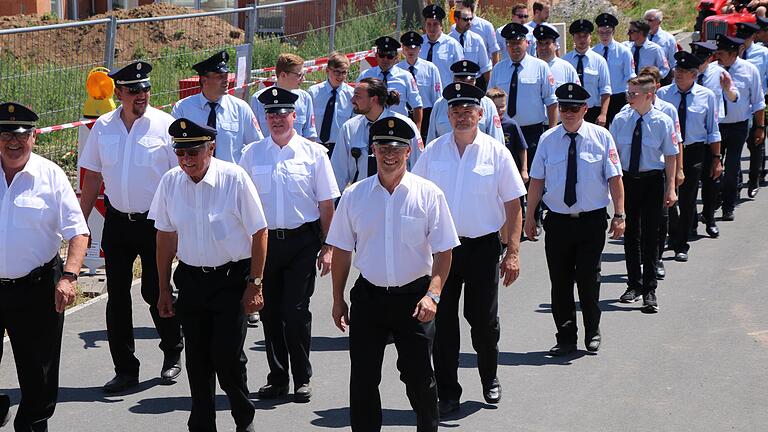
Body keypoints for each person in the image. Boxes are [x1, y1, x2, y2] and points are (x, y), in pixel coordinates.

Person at [327, 116, 459, 432]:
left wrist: (433, 294)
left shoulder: (429, 194)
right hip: (369, 297)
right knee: (363, 378)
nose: (390, 154)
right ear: (373, 149)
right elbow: (342, 249)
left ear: (408, 152)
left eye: (397, 148)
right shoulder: (355, 195)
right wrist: (337, 299)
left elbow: (444, 251)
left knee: (418, 377)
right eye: (383, 147)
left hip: (414, 299)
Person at [412, 82, 526, 415]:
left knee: (483, 320)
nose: (462, 117)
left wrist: (514, 252)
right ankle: (448, 392)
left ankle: (489, 378)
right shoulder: (433, 151)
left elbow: (513, 204)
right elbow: (416, 196)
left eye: (468, 112)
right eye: (456, 112)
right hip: (443, 250)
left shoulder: (496, 151)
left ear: (481, 113)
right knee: (443, 323)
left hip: (482, 249)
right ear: (447, 115)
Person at [150, 118, 268, 432]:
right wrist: (163, 288)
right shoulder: (171, 182)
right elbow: (165, 236)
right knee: (198, 360)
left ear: (211, 147)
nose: (187, 159)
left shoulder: (235, 178)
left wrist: (255, 284)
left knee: (227, 358)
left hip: (232, 281)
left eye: (194, 151)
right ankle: (202, 424)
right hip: (191, 280)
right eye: (181, 152)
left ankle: (244, 417)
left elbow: (259, 232)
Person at [79, 61, 184, 393]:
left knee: (155, 291)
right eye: (134, 90)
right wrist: (80, 225)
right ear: (119, 93)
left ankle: (172, 351)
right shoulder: (103, 127)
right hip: (117, 221)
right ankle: (125, 368)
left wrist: (180, 227)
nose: (142, 95)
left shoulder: (164, 127)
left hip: (155, 225)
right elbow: (93, 176)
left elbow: (179, 181)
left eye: (146, 89)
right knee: (118, 297)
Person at [240, 87, 340, 402]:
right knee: (269, 312)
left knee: (295, 311)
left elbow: (326, 204)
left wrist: (329, 247)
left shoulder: (314, 154)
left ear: (294, 116)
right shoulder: (252, 154)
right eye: (271, 114)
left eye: (283, 113)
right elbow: (241, 203)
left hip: (302, 242)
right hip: (266, 244)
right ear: (265, 118)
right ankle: (278, 377)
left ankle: (302, 377)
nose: (277, 119)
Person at [0, 102, 89, 431]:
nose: (13, 142)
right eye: (5, 134)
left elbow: (78, 232)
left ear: (34, 137)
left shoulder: (50, 176)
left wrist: (69, 277)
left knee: (38, 377)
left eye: (20, 136)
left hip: (37, 289)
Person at [524, 83, 625, 356]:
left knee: (588, 280)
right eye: (563, 108)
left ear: (585, 109)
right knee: (560, 281)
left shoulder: (601, 137)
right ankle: (566, 337)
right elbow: (536, 181)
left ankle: (592, 330)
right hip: (557, 221)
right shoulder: (547, 139)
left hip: (590, 221)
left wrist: (619, 214)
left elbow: (615, 179)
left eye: (574, 108)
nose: (568, 113)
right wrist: (530, 215)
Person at [610, 75, 679, 314]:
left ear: (649, 95)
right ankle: (634, 284)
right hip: (628, 180)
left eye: (634, 94)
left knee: (651, 235)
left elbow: (671, 155)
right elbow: (613, 156)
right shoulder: (620, 120)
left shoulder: (662, 121)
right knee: (631, 235)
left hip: (652, 181)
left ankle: (650, 289)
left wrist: (670, 187)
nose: (629, 97)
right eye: (628, 93)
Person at [488, 22, 557, 232]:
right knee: (509, 176)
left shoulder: (540, 67)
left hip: (533, 130)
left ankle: (533, 217)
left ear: (526, 43)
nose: (514, 47)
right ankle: (513, 219)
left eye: (518, 42)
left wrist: (551, 132)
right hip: (505, 130)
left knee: (533, 176)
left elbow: (551, 102)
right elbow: (490, 101)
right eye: (510, 43)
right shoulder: (499, 69)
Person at [657, 51, 722, 262]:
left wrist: (716, 158)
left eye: (684, 72)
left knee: (687, 198)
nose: (678, 74)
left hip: (694, 151)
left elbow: (713, 129)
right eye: (677, 70)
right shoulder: (663, 94)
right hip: (667, 151)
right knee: (668, 198)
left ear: (694, 75)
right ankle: (672, 233)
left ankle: (681, 244)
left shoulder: (707, 96)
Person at [330, 77, 423, 191]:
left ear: (373, 99)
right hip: (361, 197)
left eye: (357, 96)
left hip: (397, 196)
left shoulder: (405, 125)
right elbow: (338, 172)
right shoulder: (349, 128)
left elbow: (419, 166)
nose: (352, 100)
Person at [171, 51, 263, 163]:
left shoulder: (240, 108)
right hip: (194, 177)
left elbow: (257, 146)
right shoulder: (183, 108)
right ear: (204, 80)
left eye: (226, 76)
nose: (226, 81)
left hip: (229, 178)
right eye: (220, 77)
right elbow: (173, 148)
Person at [691, 40, 739, 238]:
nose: (698, 63)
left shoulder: (719, 73)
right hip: (692, 137)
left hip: (712, 134)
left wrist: (727, 88)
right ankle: (691, 222)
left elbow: (735, 97)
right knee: (689, 186)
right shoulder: (687, 75)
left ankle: (709, 219)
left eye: (702, 59)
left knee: (711, 182)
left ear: (709, 58)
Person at [715, 34, 765, 221]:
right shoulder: (713, 70)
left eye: (720, 53)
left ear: (733, 53)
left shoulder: (749, 70)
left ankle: (728, 206)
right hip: (716, 128)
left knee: (732, 166)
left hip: (739, 126)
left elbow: (758, 102)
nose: (717, 56)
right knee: (713, 167)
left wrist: (760, 127)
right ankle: (715, 200)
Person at [426, 60, 504, 144]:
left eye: (469, 82)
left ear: (475, 81)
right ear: (454, 80)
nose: (465, 86)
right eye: (461, 81)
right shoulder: (440, 104)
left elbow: (497, 140)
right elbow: (431, 139)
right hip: (445, 155)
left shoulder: (487, 104)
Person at [358, 36, 424, 129]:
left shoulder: (405, 76)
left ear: (396, 57)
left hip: (398, 128)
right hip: (371, 127)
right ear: (376, 55)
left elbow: (417, 105)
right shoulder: (365, 76)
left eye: (390, 56)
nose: (385, 59)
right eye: (382, 55)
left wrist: (417, 130)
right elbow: (356, 103)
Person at [735, 22, 768, 198]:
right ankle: (737, 183)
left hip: (757, 103)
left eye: (746, 37)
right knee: (737, 147)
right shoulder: (734, 52)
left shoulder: (763, 54)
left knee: (756, 142)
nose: (743, 40)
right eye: (740, 37)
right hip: (738, 105)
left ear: (753, 37)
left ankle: (754, 179)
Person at [251, 53, 317, 141]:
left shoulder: (305, 98)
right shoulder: (259, 99)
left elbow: (310, 134)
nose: (303, 79)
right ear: (283, 75)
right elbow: (254, 135)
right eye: (299, 75)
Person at [564, 19, 612, 126]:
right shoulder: (565, 60)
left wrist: (603, 114)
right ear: (573, 38)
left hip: (593, 111)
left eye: (585, 36)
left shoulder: (599, 61)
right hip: (571, 110)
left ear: (590, 38)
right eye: (578, 36)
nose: (582, 39)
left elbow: (605, 90)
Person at [398, 30, 443, 141]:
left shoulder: (430, 68)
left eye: (414, 48)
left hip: (426, 115)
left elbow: (437, 97)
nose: (410, 51)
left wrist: (436, 118)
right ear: (402, 49)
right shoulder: (397, 70)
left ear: (420, 49)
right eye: (407, 48)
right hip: (404, 114)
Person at [308, 52, 356, 156]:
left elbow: (354, 125)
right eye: (337, 72)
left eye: (344, 72)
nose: (340, 76)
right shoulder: (313, 93)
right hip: (315, 146)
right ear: (327, 70)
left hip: (339, 148)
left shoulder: (351, 95)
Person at [594, 13, 636, 128]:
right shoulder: (594, 52)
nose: (604, 36)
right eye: (601, 32)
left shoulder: (624, 52)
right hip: (600, 97)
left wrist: (631, 95)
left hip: (618, 97)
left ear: (613, 32)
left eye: (608, 32)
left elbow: (630, 76)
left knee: (620, 128)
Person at [487, 87, 529, 182]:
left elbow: (522, 148)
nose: (500, 110)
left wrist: (524, 170)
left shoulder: (511, 125)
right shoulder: (484, 126)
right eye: (496, 107)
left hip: (511, 171)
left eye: (502, 106)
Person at [420, 4, 465, 90]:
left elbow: (460, 73)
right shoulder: (419, 44)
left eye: (435, 24)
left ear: (441, 25)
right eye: (429, 24)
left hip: (445, 95)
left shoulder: (452, 45)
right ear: (424, 25)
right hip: (423, 95)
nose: (431, 28)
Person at [449, 3, 492, 90]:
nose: (469, 22)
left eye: (470, 19)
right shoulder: (448, 41)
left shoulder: (477, 39)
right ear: (456, 19)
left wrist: (490, 89)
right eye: (465, 19)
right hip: (455, 84)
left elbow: (485, 68)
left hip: (475, 83)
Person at [534, 25, 580, 91]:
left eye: (547, 43)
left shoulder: (567, 68)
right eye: (540, 43)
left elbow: (577, 95)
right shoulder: (530, 67)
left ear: (555, 45)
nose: (543, 47)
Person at [455, 0, 501, 65]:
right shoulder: (454, 27)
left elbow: (494, 51)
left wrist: (495, 73)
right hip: (459, 71)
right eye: (457, 2)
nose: (457, 5)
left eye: (459, 2)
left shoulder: (486, 26)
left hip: (481, 72)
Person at [643, 9, 678, 84]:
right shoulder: (641, 36)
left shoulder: (668, 39)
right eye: (645, 20)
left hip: (662, 78)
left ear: (659, 22)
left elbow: (673, 61)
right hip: (642, 78)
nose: (646, 23)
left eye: (650, 20)